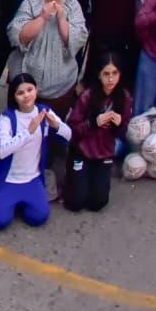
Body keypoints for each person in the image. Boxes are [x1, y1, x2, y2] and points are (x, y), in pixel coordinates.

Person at [7, 0, 88, 126]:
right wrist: (43, 17)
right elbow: (18, 35)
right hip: (26, 86)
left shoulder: (72, 5)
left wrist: (61, 18)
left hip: (60, 87)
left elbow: (77, 39)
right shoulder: (32, 1)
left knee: (52, 134)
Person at [0, 73, 71, 230]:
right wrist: (28, 132)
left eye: (29, 90)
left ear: (36, 90)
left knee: (39, 217)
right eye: (20, 93)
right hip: (9, 179)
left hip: (32, 178)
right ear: (14, 96)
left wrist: (56, 126)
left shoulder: (44, 111)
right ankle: (1, 197)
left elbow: (69, 134)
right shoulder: (7, 117)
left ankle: (19, 202)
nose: (26, 95)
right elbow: (1, 151)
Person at [65, 54, 132, 213]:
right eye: (106, 74)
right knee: (75, 202)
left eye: (114, 73)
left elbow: (125, 132)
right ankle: (72, 176)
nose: (110, 79)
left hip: (104, 154)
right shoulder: (88, 96)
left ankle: (88, 180)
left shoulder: (124, 97)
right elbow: (73, 128)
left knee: (98, 202)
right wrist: (93, 122)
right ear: (99, 75)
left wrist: (120, 123)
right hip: (82, 151)